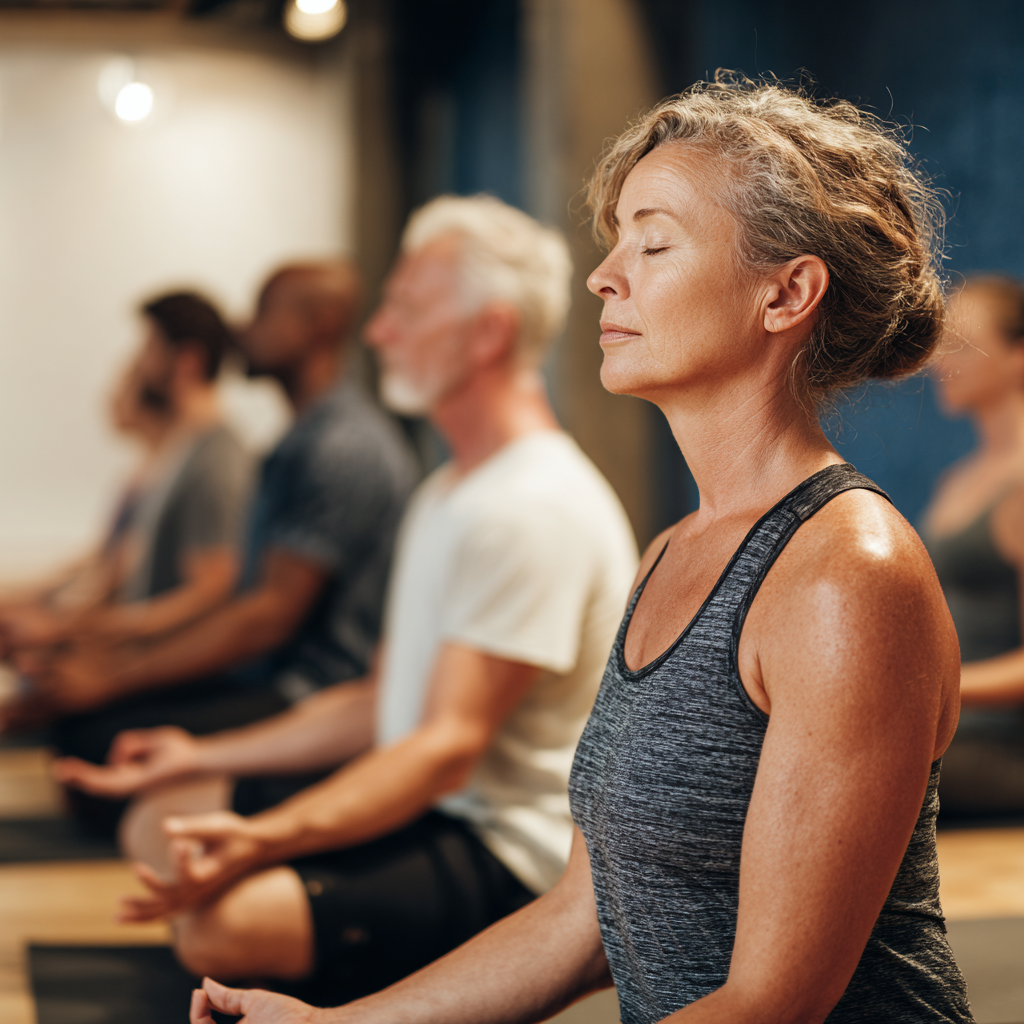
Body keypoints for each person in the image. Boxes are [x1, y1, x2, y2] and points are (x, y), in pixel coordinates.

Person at [188, 75, 972, 1024]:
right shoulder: (670, 553)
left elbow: (771, 1004)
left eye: (654, 242)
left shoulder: (847, 574)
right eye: (615, 242)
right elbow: (582, 919)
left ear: (786, 293)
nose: (605, 276)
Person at [57, 195, 639, 1002]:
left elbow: (443, 750)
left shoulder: (529, 506)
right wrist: (203, 754)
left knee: (216, 924)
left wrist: (262, 838)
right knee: (163, 816)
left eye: (407, 309)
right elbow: (379, 701)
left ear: (488, 333)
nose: (378, 332)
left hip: (504, 847)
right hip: (425, 798)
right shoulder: (447, 490)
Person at [42, 262, 417, 835]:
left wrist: (116, 673)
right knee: (85, 724)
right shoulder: (301, 440)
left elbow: (264, 618)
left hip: (317, 691)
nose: (244, 328)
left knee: (99, 735)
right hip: (274, 672)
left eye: (264, 311)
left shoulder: (341, 447)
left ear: (318, 324)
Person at [1, 292, 251, 725]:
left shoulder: (217, 460)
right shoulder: (183, 453)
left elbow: (210, 593)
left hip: (161, 681)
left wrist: (80, 632)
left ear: (187, 360)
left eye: (150, 347)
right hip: (131, 659)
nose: (139, 362)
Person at [923, 275, 1024, 817]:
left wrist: (929, 689)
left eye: (962, 346)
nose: (941, 361)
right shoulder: (957, 481)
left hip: (999, 749)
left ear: (1017, 357)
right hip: (952, 736)